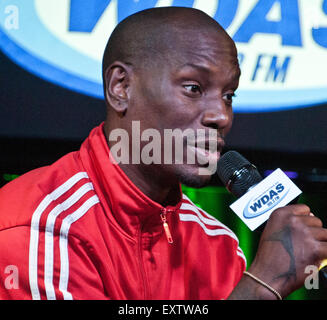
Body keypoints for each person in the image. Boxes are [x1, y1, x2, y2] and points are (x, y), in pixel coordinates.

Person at [0, 6, 326, 300]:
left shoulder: (218, 244)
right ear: (120, 87)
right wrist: (259, 287)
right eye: (193, 88)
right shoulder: (39, 229)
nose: (222, 117)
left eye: (229, 95)